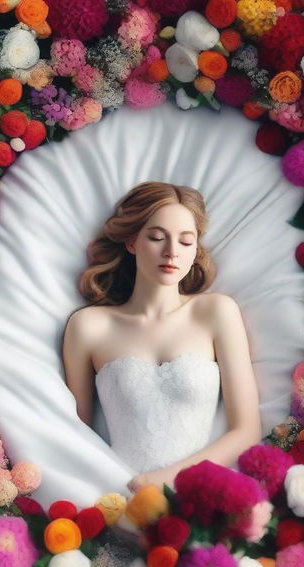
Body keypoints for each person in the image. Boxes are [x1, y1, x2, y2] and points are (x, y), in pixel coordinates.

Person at [62, 181, 262, 493]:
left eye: (185, 242)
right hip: (112, 494)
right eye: (157, 238)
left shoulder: (216, 312)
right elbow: (77, 434)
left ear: (196, 250)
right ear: (131, 241)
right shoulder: (88, 326)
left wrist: (161, 482)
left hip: (197, 494)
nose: (171, 252)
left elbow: (247, 430)